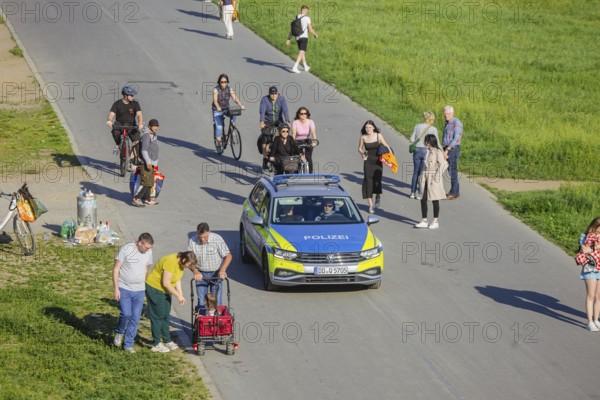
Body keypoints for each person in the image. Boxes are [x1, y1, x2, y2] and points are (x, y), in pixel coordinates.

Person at [145, 251, 198, 353]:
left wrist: (181, 294)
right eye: (188, 264)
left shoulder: (181, 264)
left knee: (165, 315)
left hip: (166, 290)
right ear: (183, 259)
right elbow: (166, 283)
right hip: (156, 288)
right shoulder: (170, 261)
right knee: (157, 316)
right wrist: (178, 296)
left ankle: (167, 340)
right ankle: (156, 343)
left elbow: (177, 280)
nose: (188, 267)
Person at [112, 233, 154, 353]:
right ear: (139, 243)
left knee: (135, 318)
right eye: (146, 247)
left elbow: (146, 267)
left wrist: (145, 282)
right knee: (126, 314)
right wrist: (116, 288)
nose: (148, 250)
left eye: (150, 248)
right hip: (124, 288)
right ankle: (120, 332)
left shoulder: (148, 252)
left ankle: (128, 344)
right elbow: (116, 269)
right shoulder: (126, 249)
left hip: (139, 290)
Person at [188, 222, 232, 314]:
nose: (202, 239)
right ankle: (203, 325)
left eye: (204, 237)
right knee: (202, 302)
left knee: (215, 302)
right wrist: (195, 271)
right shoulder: (192, 240)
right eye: (200, 237)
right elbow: (189, 260)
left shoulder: (217, 239)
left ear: (209, 233)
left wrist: (222, 270)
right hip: (201, 274)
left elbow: (228, 256)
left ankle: (215, 323)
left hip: (215, 274)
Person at [357, 120, 392, 214]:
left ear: (373, 128)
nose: (368, 129)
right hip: (368, 161)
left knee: (377, 180)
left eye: (369, 127)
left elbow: (386, 145)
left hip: (378, 161)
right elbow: (359, 148)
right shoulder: (363, 137)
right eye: (366, 127)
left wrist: (391, 156)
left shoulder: (378, 136)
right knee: (368, 181)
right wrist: (362, 152)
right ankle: (371, 206)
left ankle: (378, 195)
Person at [415, 134, 448, 230]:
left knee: (435, 199)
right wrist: (421, 177)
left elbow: (444, 165)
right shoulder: (427, 152)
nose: (425, 142)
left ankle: (435, 221)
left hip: (433, 177)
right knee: (423, 199)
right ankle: (424, 220)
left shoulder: (438, 152)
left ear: (430, 142)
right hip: (425, 177)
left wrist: (437, 177)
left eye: (427, 141)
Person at [107, 85, 144, 167]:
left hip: (131, 125)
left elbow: (139, 114)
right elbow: (112, 113)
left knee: (137, 140)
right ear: (125, 95)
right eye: (131, 95)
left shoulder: (135, 103)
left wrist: (140, 123)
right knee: (115, 133)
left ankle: (134, 157)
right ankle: (118, 145)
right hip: (119, 124)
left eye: (133, 95)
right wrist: (109, 120)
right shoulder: (117, 104)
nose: (132, 97)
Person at [575, 217, 600, 331]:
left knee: (598, 296)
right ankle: (589, 322)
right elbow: (584, 250)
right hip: (590, 268)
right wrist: (596, 246)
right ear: (594, 227)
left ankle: (596, 320)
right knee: (591, 295)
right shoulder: (584, 237)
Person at [259, 86, 290, 170]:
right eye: (271, 94)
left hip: (278, 120)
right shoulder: (264, 99)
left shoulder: (281, 99)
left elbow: (285, 110)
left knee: (284, 133)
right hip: (267, 121)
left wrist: (288, 121)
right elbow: (262, 111)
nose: (273, 96)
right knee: (265, 137)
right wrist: (262, 122)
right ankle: (265, 157)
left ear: (277, 93)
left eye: (275, 94)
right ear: (269, 94)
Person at [213, 73, 245, 153]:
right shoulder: (216, 90)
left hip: (226, 108)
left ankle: (232, 127)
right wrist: (218, 107)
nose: (223, 83)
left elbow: (235, 98)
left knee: (235, 112)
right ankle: (219, 144)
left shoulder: (229, 89)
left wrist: (240, 105)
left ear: (227, 82)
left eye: (225, 82)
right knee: (219, 128)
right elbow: (215, 101)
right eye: (222, 82)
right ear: (219, 82)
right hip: (218, 110)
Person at [409, 111, 437, 200]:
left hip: (417, 150)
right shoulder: (433, 129)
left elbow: (412, 138)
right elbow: (436, 142)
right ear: (430, 119)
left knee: (415, 172)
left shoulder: (417, 126)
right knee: (422, 173)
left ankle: (412, 193)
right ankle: (420, 193)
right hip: (426, 151)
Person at [132, 119, 160, 207]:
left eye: (157, 126)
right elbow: (144, 150)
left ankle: (147, 199)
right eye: (154, 126)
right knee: (146, 182)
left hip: (151, 163)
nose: (156, 128)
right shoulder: (147, 136)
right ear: (150, 126)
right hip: (145, 163)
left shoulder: (153, 135)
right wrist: (148, 162)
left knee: (150, 182)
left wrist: (155, 164)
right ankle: (136, 198)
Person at [286, 5, 318, 74]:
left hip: (297, 37)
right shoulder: (307, 18)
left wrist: (288, 38)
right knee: (302, 51)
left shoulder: (296, 17)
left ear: (301, 10)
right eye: (307, 11)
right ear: (306, 11)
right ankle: (295, 67)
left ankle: (305, 66)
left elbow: (292, 29)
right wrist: (315, 34)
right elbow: (310, 29)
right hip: (304, 37)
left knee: (301, 51)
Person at [442, 105, 462, 200]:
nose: (446, 115)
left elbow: (456, 138)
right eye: (445, 113)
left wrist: (447, 149)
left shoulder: (456, 123)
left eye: (448, 113)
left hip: (452, 149)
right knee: (451, 170)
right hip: (446, 147)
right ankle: (455, 192)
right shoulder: (447, 122)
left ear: (452, 113)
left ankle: (453, 193)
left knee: (452, 170)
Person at [292, 107, 317, 173]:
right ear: (298, 115)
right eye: (301, 114)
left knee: (308, 158)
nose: (303, 115)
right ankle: (296, 174)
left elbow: (313, 132)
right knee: (297, 158)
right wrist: (293, 143)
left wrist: (314, 141)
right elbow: (294, 134)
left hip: (307, 140)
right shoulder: (295, 122)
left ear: (307, 114)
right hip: (298, 141)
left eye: (305, 114)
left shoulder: (310, 122)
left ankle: (310, 174)